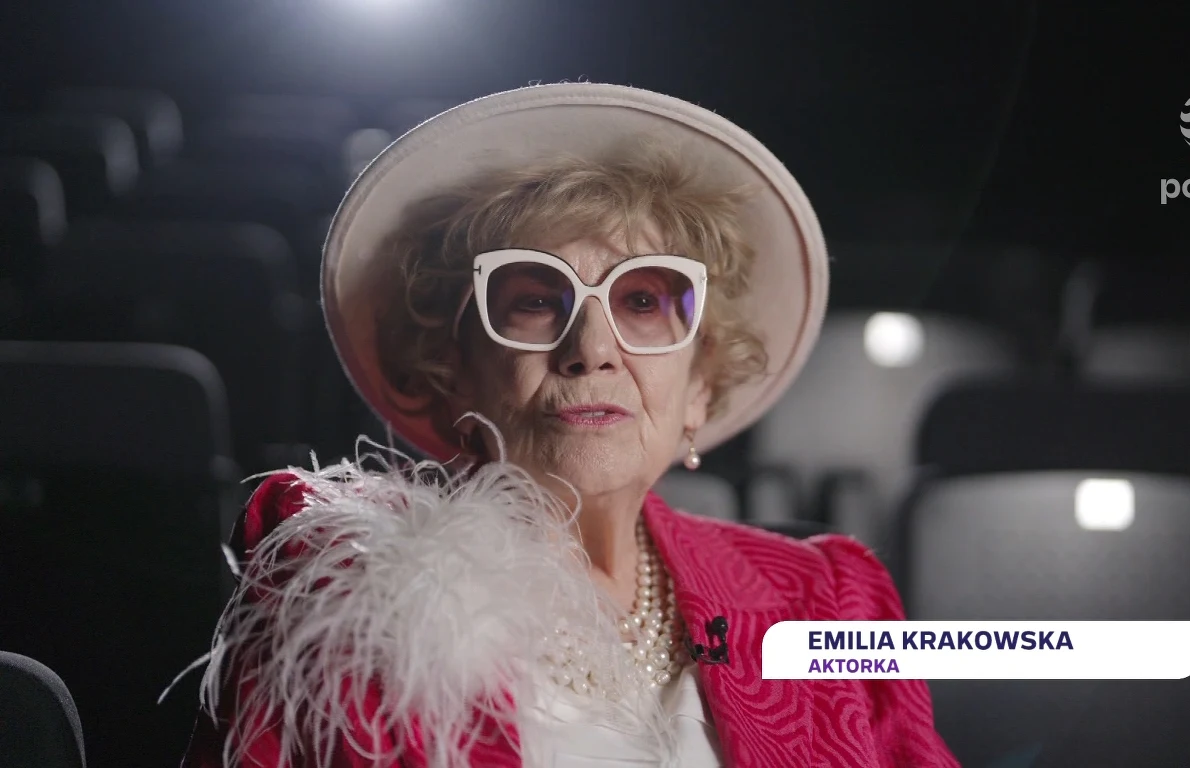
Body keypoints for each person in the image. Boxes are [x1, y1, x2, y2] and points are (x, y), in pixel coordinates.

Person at [181, 83, 959, 768]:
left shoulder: (829, 601)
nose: (590, 348)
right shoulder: (347, 597)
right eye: (534, 301)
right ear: (451, 373)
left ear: (700, 387)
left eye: (643, 301)